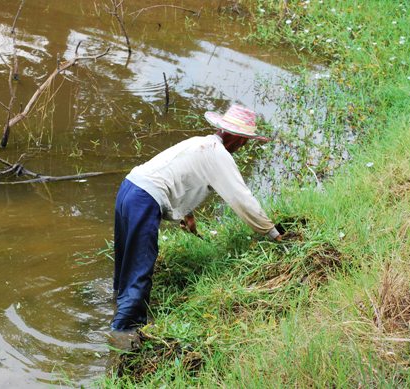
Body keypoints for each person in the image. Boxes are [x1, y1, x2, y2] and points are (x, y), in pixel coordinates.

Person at [111, 104, 282, 331]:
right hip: (144, 199)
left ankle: (114, 305)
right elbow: (242, 199)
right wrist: (273, 234)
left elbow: (178, 177)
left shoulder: (199, 143)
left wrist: (186, 214)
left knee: (125, 261)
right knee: (141, 268)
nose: (244, 145)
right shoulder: (217, 154)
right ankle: (123, 334)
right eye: (245, 141)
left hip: (129, 188)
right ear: (240, 140)